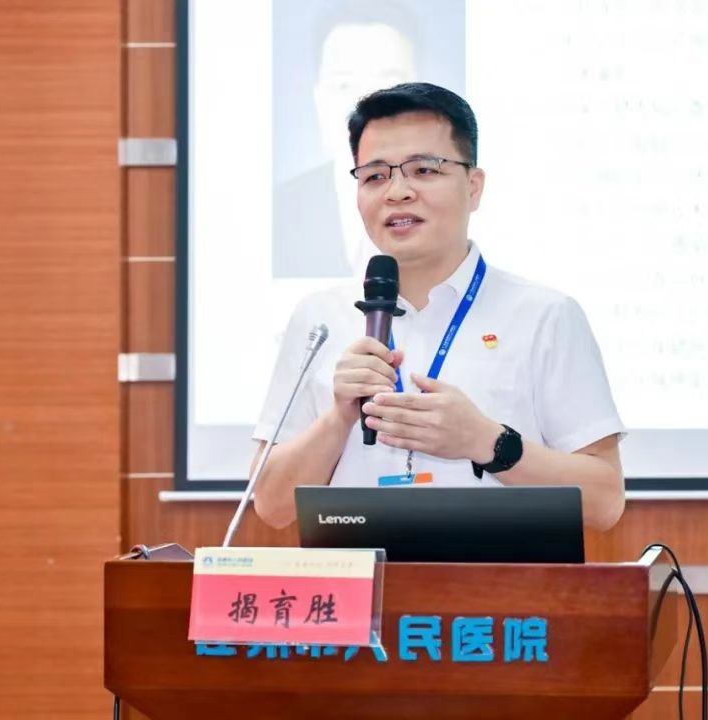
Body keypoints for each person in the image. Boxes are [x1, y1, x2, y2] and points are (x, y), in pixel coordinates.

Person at [252, 82, 626, 531]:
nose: (397, 192)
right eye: (375, 176)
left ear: (474, 187)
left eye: (424, 170)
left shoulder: (545, 315)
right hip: (361, 575)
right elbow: (271, 505)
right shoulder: (320, 319)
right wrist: (339, 417)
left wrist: (486, 441)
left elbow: (604, 502)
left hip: (497, 576)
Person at [272, 1, 420, 278]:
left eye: (388, 85)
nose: (365, 104)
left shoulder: (459, 201)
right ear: (319, 99)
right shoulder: (278, 210)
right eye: (344, 85)